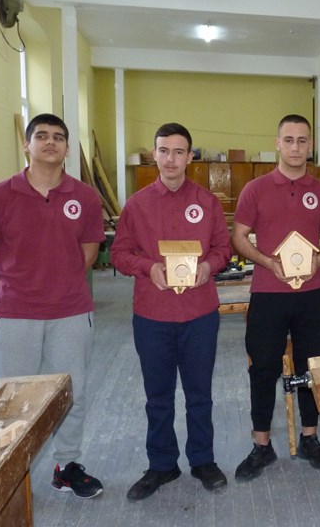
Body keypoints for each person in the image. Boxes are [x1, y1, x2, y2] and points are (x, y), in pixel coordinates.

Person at [0, 113, 105, 498]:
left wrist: (59, 284)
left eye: (58, 137)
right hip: (15, 312)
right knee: (10, 397)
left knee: (72, 392)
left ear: (67, 148)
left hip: (71, 311)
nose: (50, 142)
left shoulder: (85, 197)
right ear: (27, 144)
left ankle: (66, 466)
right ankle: (6, 477)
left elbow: (89, 252)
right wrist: (17, 284)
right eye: (41, 136)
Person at [112, 123, 231, 500]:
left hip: (199, 314)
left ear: (190, 157)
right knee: (158, 396)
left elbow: (223, 248)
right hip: (153, 316)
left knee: (200, 394)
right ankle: (162, 464)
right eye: (164, 151)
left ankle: (203, 460)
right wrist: (148, 267)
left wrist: (209, 266)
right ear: (154, 154)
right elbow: (119, 253)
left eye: (179, 152)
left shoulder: (207, 202)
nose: (170, 159)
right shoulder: (137, 204)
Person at [232, 114, 320, 481]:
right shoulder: (255, 189)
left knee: (313, 367)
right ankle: (261, 445)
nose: (296, 147)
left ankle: (310, 438)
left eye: (302, 140)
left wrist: (318, 260)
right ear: (278, 143)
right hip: (268, 293)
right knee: (263, 368)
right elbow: (239, 236)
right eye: (289, 140)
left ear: (311, 145)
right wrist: (268, 262)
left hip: (312, 293)